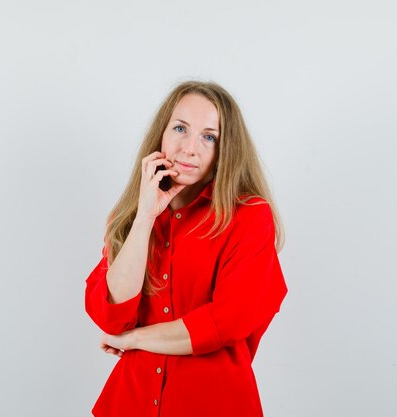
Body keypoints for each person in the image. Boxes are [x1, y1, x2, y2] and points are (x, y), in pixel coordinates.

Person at [84, 80, 288, 417]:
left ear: (226, 150)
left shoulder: (249, 217)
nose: (189, 148)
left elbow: (225, 322)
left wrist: (134, 340)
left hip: (213, 405)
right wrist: (146, 215)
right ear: (161, 134)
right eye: (180, 128)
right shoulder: (135, 217)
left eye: (209, 137)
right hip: (128, 404)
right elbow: (112, 314)